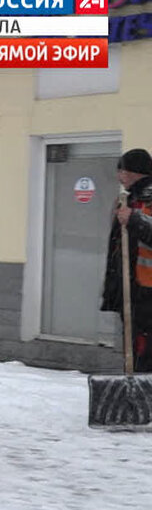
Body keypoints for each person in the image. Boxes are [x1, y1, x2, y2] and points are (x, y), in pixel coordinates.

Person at [103, 148, 152, 370]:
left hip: (147, 291)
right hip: (131, 290)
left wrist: (134, 219)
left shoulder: (147, 199)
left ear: (134, 172)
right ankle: (135, 394)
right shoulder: (128, 199)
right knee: (133, 350)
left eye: (121, 170)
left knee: (145, 352)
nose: (119, 176)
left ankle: (143, 395)